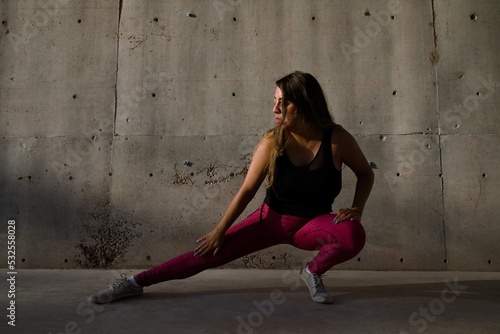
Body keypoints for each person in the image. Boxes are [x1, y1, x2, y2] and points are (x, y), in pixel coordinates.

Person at [89, 71, 374, 305]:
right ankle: (133, 283)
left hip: (312, 225)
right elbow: (247, 191)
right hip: (270, 221)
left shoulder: (337, 139)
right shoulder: (271, 143)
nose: (275, 109)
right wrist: (219, 231)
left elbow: (365, 174)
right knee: (202, 257)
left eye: (283, 102)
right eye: (274, 101)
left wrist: (357, 208)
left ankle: (312, 272)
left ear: (304, 104)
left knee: (352, 234)